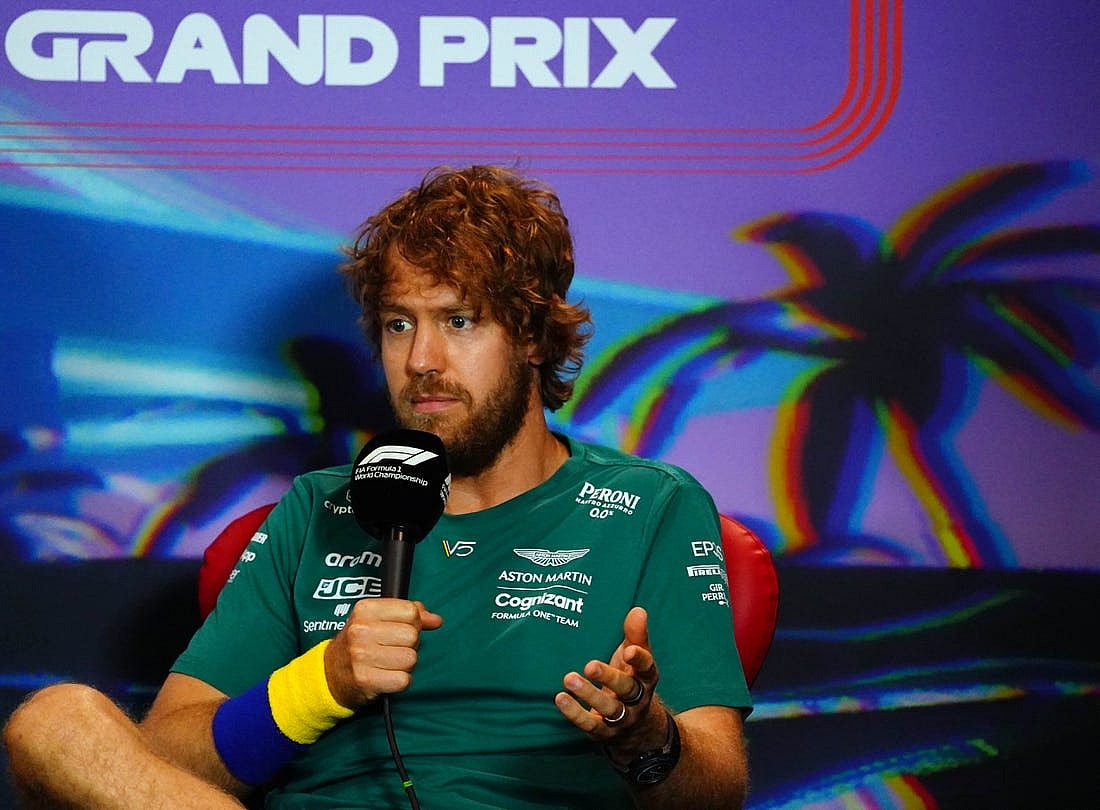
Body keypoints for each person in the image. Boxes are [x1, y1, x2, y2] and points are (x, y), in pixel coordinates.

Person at [3, 165, 751, 808]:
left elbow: (717, 789)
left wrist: (644, 736)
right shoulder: (317, 508)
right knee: (54, 721)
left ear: (531, 336)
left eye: (459, 320)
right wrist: (322, 682)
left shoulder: (654, 505)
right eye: (399, 324)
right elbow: (166, 755)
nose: (422, 360)